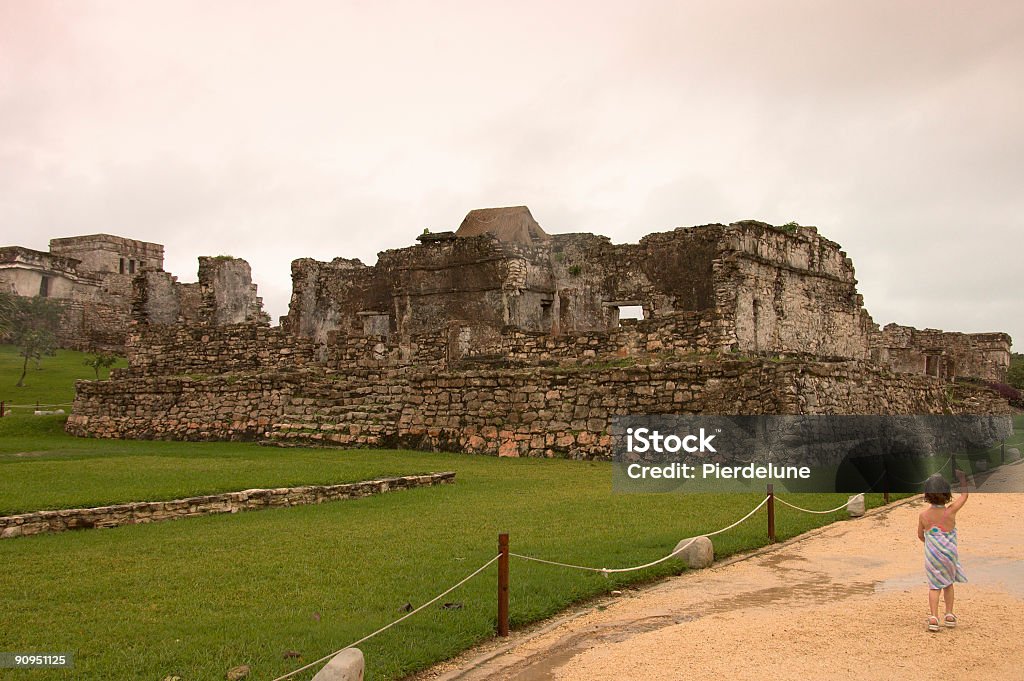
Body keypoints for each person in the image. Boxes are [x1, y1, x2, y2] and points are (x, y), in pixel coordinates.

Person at [917, 468, 968, 632]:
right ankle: (949, 614)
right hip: (950, 556)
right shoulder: (950, 511)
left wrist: (930, 543)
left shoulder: (924, 516)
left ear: (927, 494)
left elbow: (920, 536)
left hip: (933, 557)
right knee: (948, 584)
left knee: (934, 586)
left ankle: (933, 617)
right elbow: (965, 496)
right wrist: (962, 479)